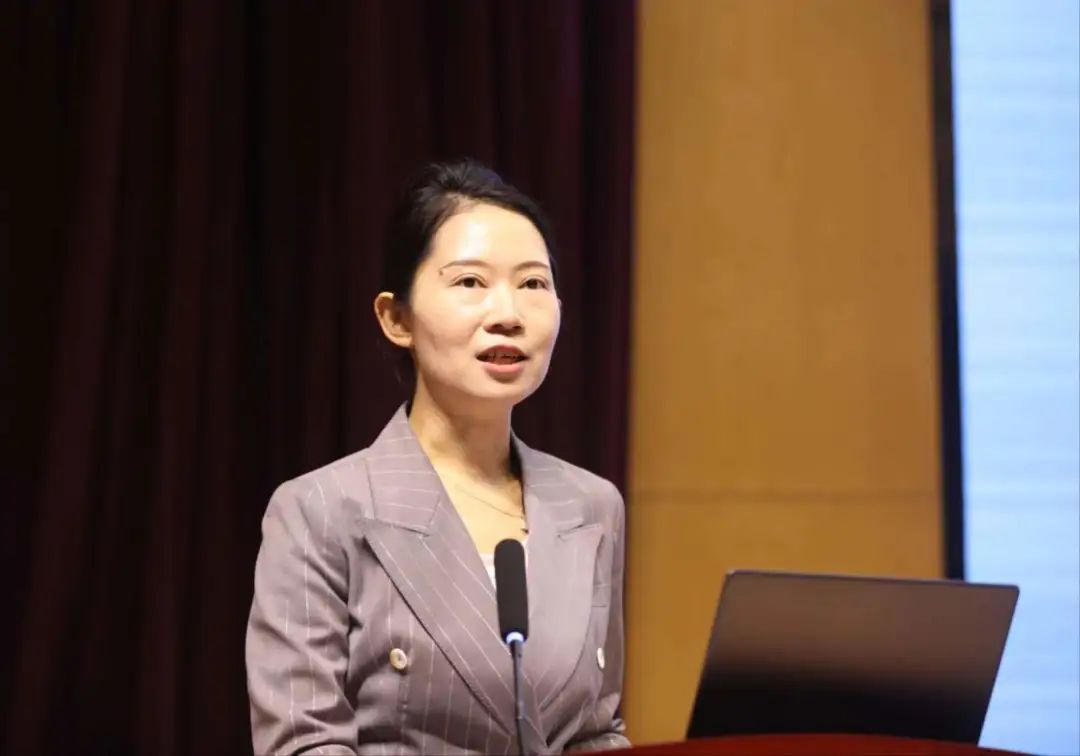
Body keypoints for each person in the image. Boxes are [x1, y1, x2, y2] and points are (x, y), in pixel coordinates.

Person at [245, 160, 629, 755]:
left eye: (533, 284)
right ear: (396, 318)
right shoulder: (319, 510)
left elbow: (595, 730)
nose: (508, 315)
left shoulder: (591, 506)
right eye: (470, 283)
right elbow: (305, 744)